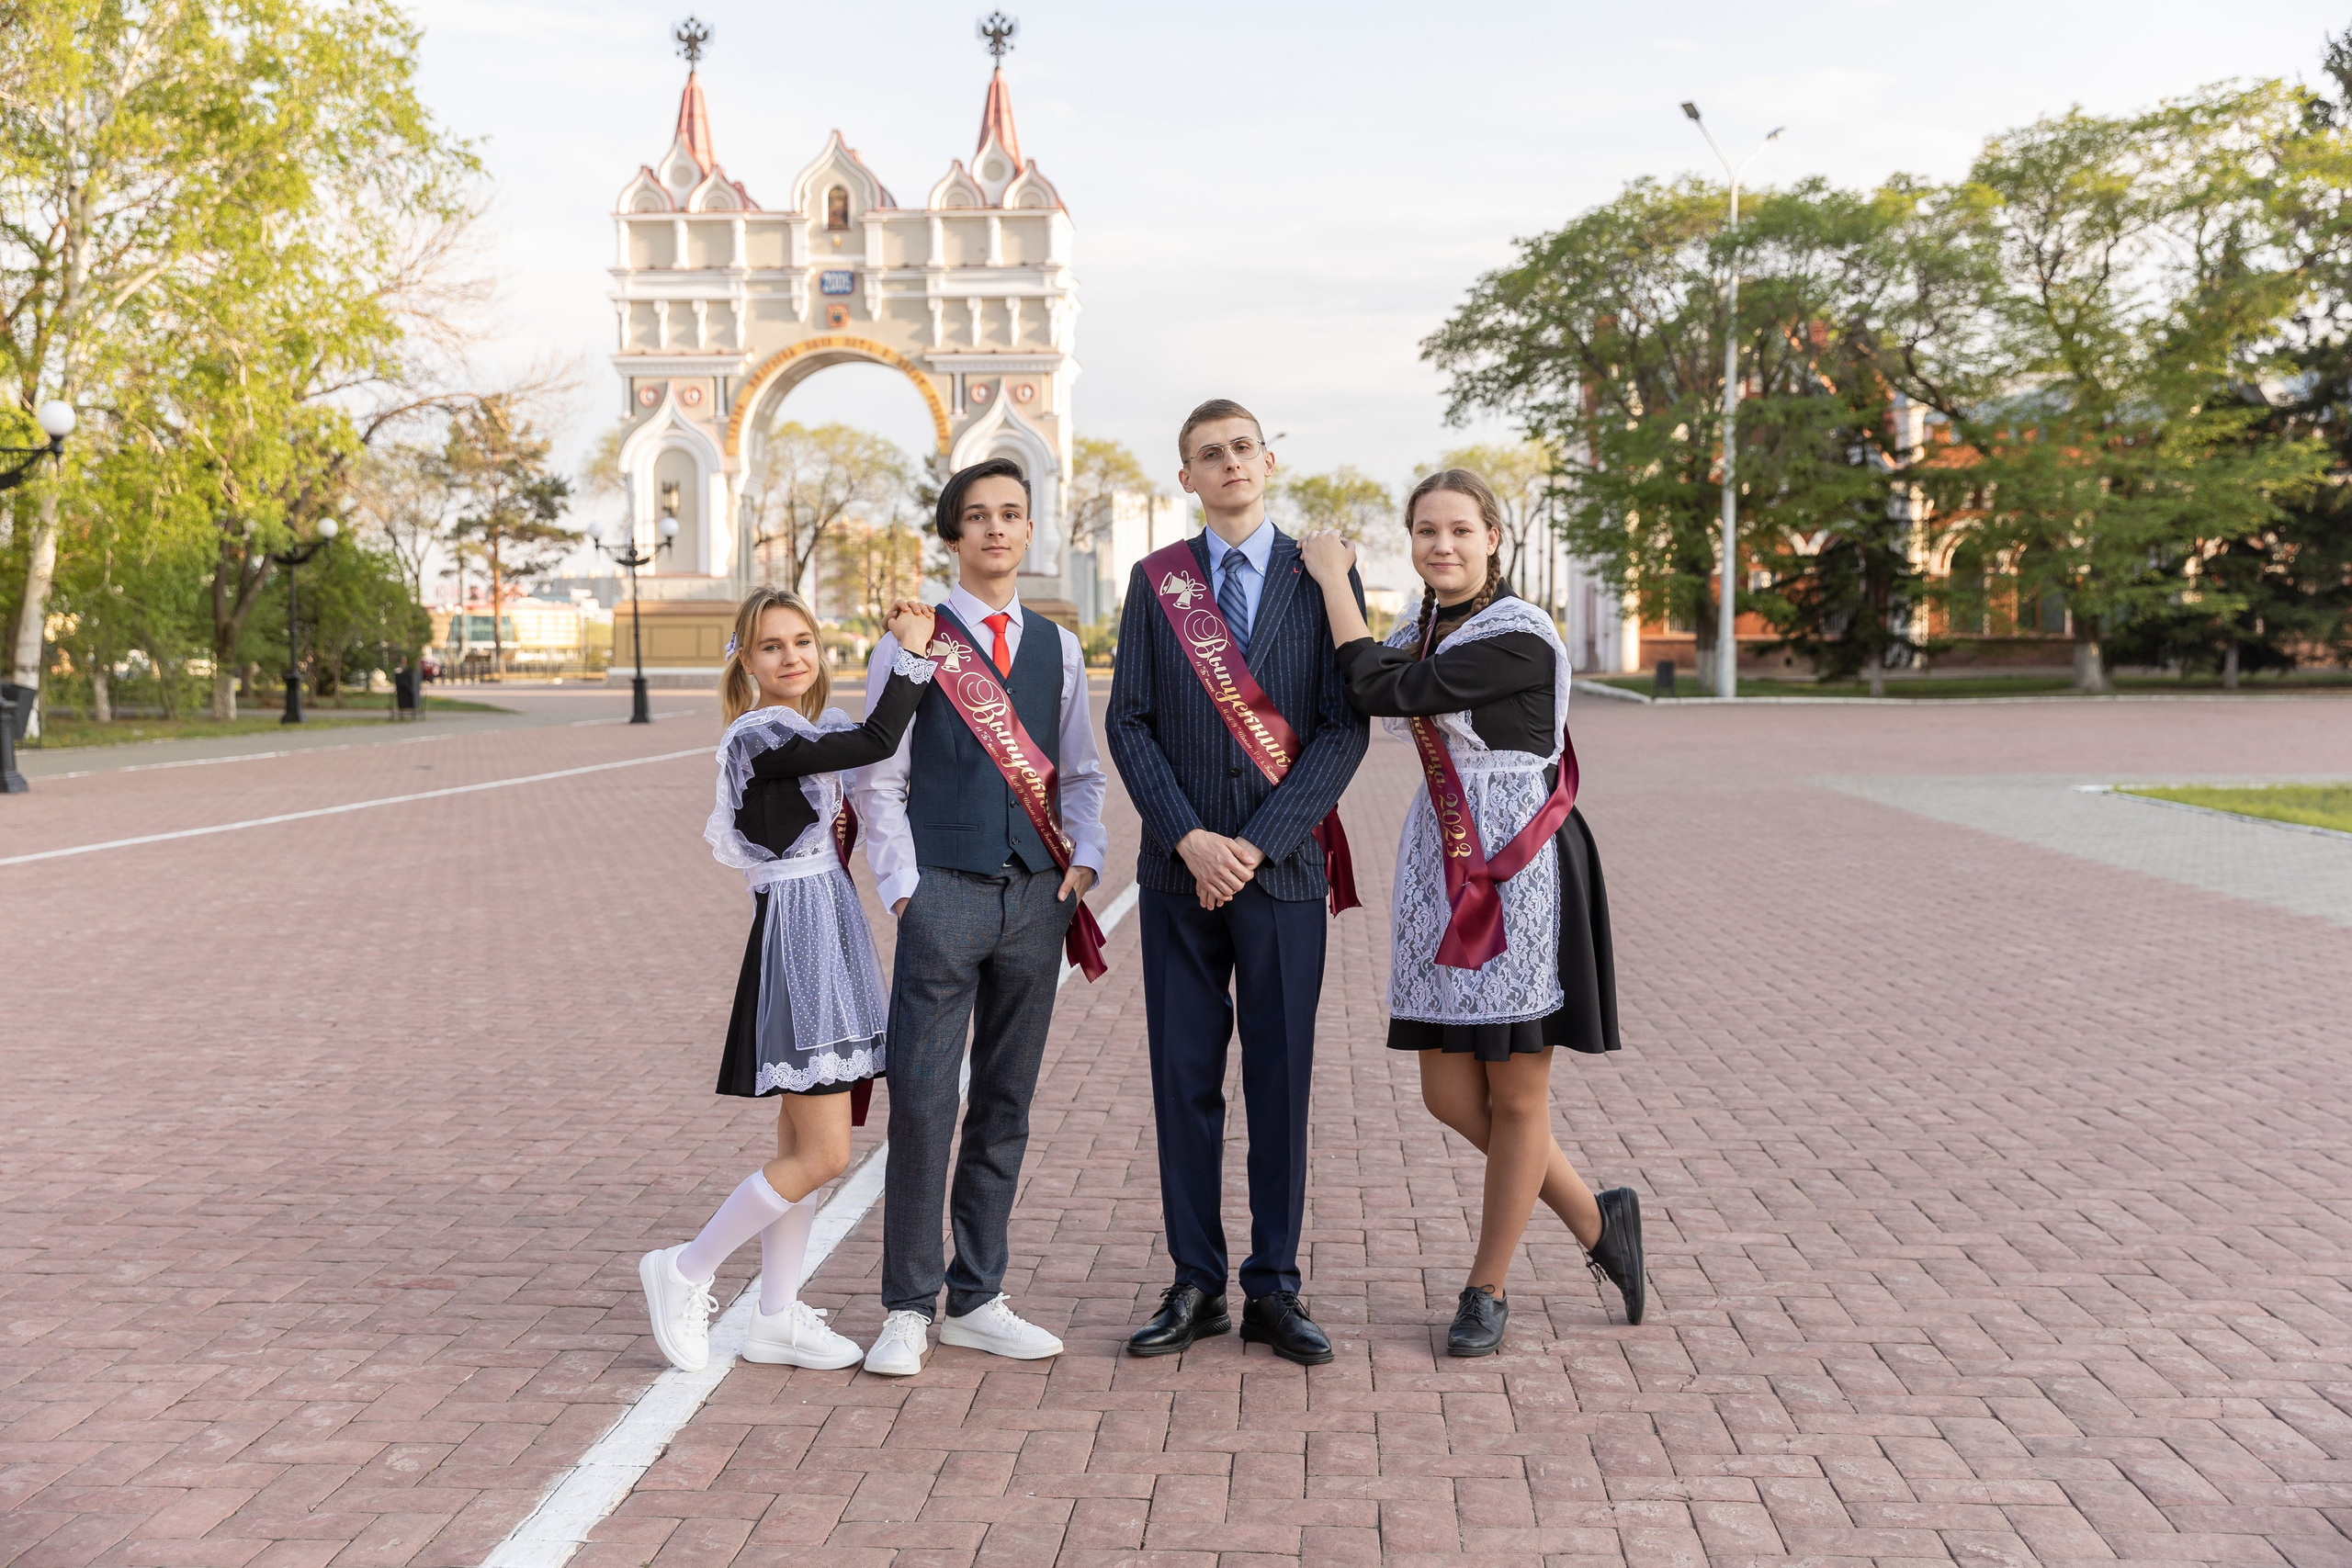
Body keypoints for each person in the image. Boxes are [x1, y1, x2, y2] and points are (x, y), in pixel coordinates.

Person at [1297, 468, 1644, 1357]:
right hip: (1439, 863)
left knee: (1518, 1090)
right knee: (1449, 1091)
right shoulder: (1425, 630)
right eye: (1423, 531)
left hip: (1515, 864)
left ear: (1494, 536)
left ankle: (1486, 1288)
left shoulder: (1520, 635)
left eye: (1458, 529)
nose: (1440, 545)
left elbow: (1382, 688)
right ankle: (1599, 1221)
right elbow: (1362, 675)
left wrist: (1336, 583)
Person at [1106, 399, 1371, 1366]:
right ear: (1186, 478)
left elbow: (1347, 725)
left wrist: (1254, 842)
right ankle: (1195, 1282)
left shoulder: (1321, 577)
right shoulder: (1154, 583)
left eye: (1241, 450)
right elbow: (1128, 720)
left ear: (1268, 460)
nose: (1228, 466)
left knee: (1279, 1082)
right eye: (1206, 456)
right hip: (1180, 878)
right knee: (1183, 1083)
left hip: (1283, 870)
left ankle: (1275, 1286)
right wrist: (1188, 839)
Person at [851, 457, 1109, 1377]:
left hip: (1035, 896)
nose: (997, 529)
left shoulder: (1057, 647)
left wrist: (1083, 862)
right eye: (978, 516)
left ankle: (979, 1295)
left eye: (1012, 514)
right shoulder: (913, 638)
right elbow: (880, 777)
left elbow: (1077, 770)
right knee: (924, 1102)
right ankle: (907, 1306)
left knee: (1004, 1103)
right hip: (945, 895)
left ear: (1029, 530)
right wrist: (903, 888)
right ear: (952, 535)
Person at [639, 585, 938, 1374]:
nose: (792, 656)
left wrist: (899, 649)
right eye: (772, 645)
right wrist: (913, 647)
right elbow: (878, 736)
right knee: (826, 1155)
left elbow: (866, 736)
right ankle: (687, 1267)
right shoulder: (759, 735)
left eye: (803, 640)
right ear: (744, 657)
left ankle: (775, 1316)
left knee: (799, 1143)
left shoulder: (804, 729)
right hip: (800, 941)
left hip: (825, 926)